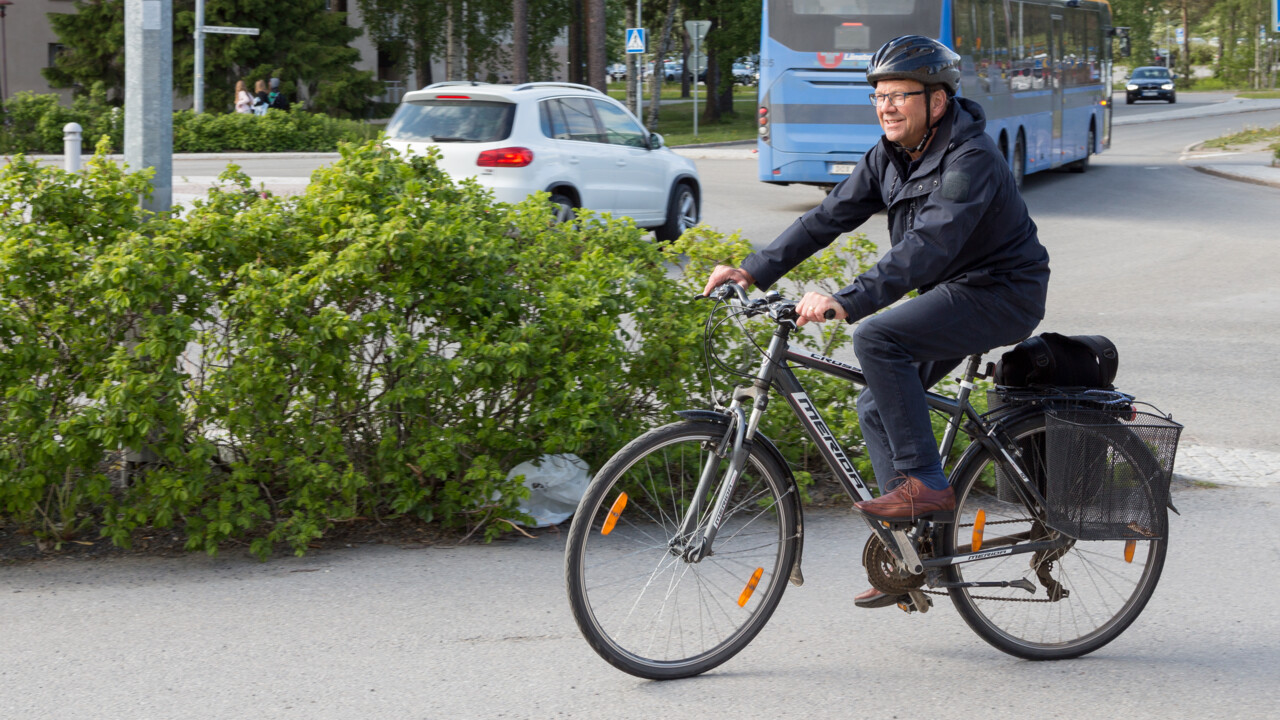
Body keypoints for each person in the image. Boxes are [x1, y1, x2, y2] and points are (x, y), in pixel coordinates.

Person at [700, 35, 1050, 609]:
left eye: (901, 96)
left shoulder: (971, 159)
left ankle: (927, 488)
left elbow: (931, 246)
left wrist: (847, 299)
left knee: (876, 337)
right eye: (880, 96)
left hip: (1002, 293)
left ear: (938, 101)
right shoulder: (890, 154)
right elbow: (829, 216)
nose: (887, 106)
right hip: (953, 291)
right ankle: (912, 553)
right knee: (875, 402)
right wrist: (753, 272)